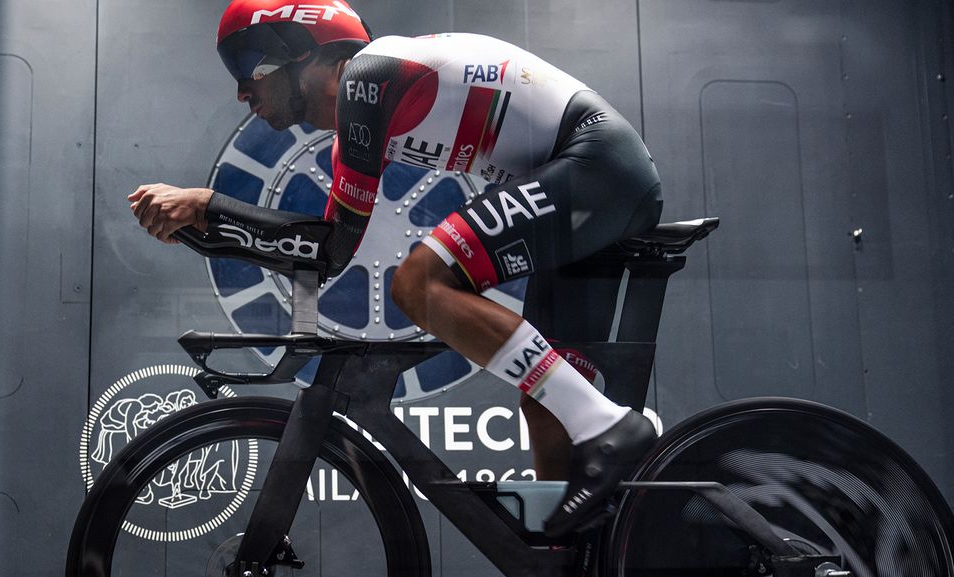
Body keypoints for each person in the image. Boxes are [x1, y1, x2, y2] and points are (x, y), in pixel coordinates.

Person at [128, 0, 663, 537]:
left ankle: (610, 427)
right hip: (582, 177)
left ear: (313, 60)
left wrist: (206, 205)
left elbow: (330, 246)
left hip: (598, 165)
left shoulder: (370, 75)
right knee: (547, 406)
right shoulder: (355, 133)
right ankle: (568, 571)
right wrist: (209, 225)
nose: (243, 93)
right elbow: (330, 251)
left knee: (420, 282)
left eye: (250, 68)